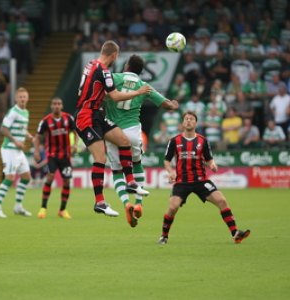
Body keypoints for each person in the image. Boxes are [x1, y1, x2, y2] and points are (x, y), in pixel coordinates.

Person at [74, 40, 152, 217]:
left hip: (96, 115)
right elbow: (115, 96)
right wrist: (138, 92)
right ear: (114, 55)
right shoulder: (104, 71)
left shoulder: (91, 64)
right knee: (100, 157)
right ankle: (100, 202)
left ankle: (130, 182)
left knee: (123, 140)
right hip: (86, 116)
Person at [104, 54, 179, 227]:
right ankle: (138, 203)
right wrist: (174, 103)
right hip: (132, 130)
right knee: (136, 164)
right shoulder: (145, 86)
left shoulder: (115, 78)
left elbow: (99, 86)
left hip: (113, 130)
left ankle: (126, 204)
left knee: (117, 172)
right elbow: (168, 105)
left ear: (127, 66)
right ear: (141, 71)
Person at [157, 111, 250, 245]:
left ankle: (235, 233)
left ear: (196, 123)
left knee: (222, 200)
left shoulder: (203, 141)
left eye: (191, 119)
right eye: (186, 119)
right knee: (172, 208)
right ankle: (164, 236)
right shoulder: (174, 141)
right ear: (182, 123)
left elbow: (209, 159)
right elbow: (166, 161)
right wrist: (171, 172)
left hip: (201, 180)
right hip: (182, 182)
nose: (188, 121)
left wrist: (213, 165)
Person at [0, 87, 33, 218]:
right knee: (9, 177)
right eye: (20, 97)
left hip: (18, 151)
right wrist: (15, 141)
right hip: (9, 149)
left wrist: (29, 136)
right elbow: (3, 129)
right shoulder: (13, 112)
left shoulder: (26, 112)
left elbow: (21, 128)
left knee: (26, 177)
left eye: (24, 97)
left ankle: (18, 206)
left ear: (27, 98)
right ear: (16, 99)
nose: (22, 99)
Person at [33, 97, 77, 220]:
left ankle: (62, 210)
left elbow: (75, 132)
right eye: (54, 104)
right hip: (52, 155)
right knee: (50, 177)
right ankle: (43, 208)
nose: (57, 106)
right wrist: (36, 151)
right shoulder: (45, 121)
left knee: (67, 181)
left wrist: (75, 145)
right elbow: (37, 137)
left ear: (62, 106)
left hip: (66, 156)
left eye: (59, 104)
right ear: (51, 106)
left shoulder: (68, 118)